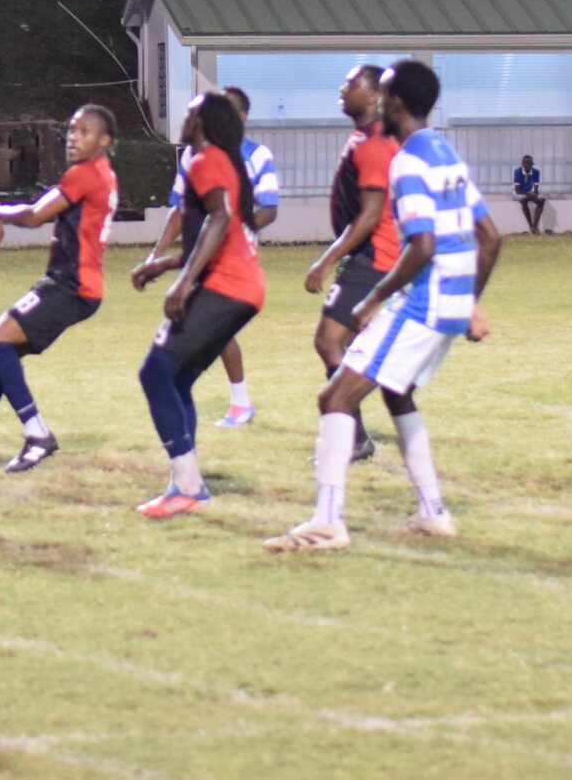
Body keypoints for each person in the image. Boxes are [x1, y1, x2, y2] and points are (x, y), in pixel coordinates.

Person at [266, 59, 501, 550]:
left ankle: (327, 522)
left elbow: (422, 247)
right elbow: (490, 237)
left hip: (422, 302)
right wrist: (468, 304)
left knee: (334, 398)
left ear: (393, 102)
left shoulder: (409, 161)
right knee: (397, 393)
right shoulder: (446, 153)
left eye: (383, 93)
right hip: (448, 302)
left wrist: (375, 299)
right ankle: (433, 512)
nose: (378, 101)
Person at [0, 104, 120, 474]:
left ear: (104, 141)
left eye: (84, 132)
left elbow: (35, 215)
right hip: (75, 283)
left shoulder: (86, 173)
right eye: (72, 130)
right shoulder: (102, 173)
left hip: (72, 285)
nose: (74, 137)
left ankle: (37, 433)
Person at [129, 92, 266, 518]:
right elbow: (220, 230)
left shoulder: (207, 159)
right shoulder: (221, 159)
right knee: (177, 379)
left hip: (226, 287)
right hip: (242, 286)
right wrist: (166, 264)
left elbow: (220, 219)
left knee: (155, 373)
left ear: (202, 121)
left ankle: (188, 486)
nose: (182, 119)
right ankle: (184, 479)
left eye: (189, 113)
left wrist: (184, 283)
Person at [163, 86, 280, 427]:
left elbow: (269, 209)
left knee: (215, 328)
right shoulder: (193, 156)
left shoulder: (257, 155)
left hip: (231, 260)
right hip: (200, 255)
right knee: (208, 327)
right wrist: (157, 254)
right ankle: (218, 398)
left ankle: (235, 401)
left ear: (240, 117)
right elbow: (178, 211)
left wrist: (238, 237)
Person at [300, 65, 397, 464]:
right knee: (355, 347)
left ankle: (351, 435)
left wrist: (327, 260)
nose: (343, 88)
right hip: (370, 254)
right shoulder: (363, 136)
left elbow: (371, 215)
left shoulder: (375, 142)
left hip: (373, 255)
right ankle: (354, 430)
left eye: (352, 83)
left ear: (374, 97)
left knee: (329, 341)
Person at [512, 155, 546, 234]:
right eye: (525, 163)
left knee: (541, 201)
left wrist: (534, 194)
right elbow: (517, 190)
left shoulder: (536, 172)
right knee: (524, 201)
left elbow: (536, 189)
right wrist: (528, 194)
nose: (527, 165)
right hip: (519, 192)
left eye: (529, 163)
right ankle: (531, 225)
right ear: (522, 164)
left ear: (532, 164)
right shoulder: (517, 171)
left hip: (529, 192)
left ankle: (535, 226)